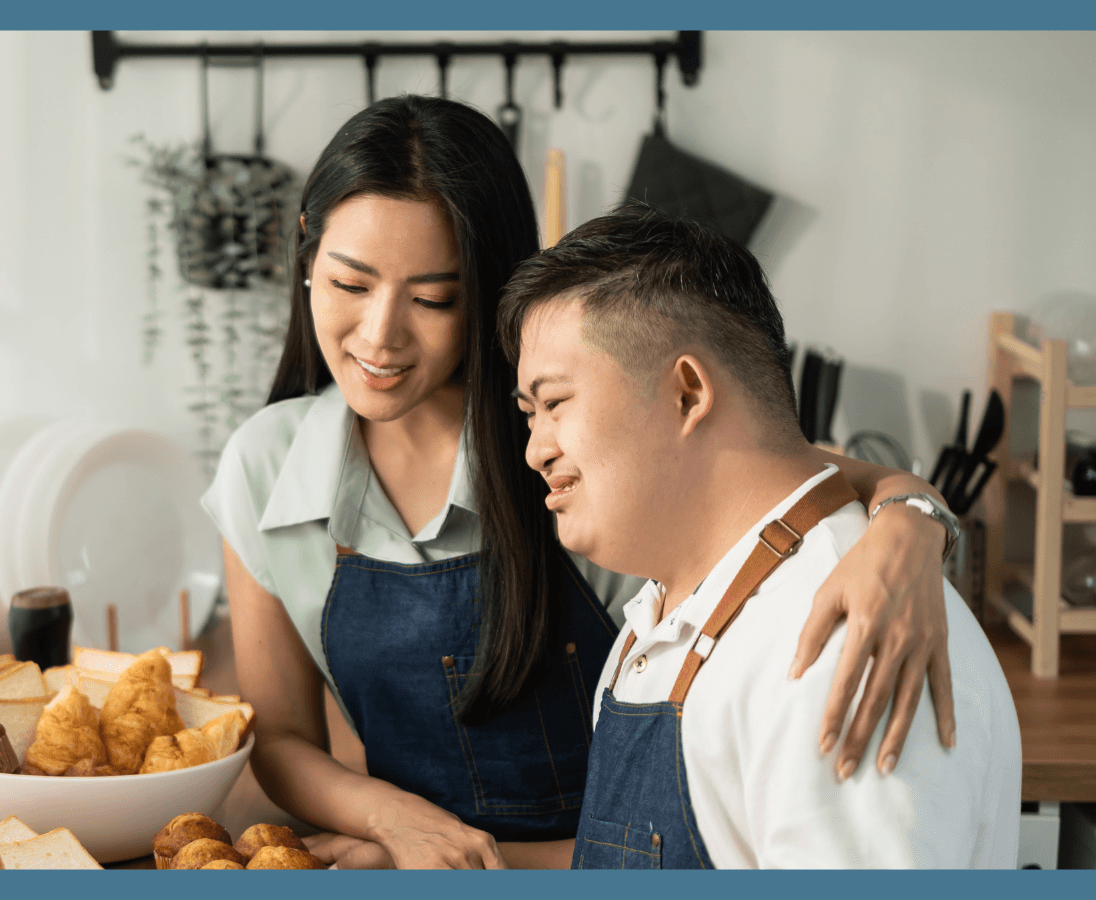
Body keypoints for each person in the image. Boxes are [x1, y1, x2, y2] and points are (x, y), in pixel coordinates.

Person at [202, 95, 965, 870]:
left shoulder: (576, 451)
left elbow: (780, 469)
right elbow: (283, 737)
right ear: (305, 254)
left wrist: (911, 516)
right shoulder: (265, 467)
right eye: (351, 285)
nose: (379, 334)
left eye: (434, 298)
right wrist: (400, 828)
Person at [499, 204, 1020, 868]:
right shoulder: (665, 613)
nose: (535, 451)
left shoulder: (843, 639)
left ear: (688, 392)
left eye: (554, 404)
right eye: (528, 415)